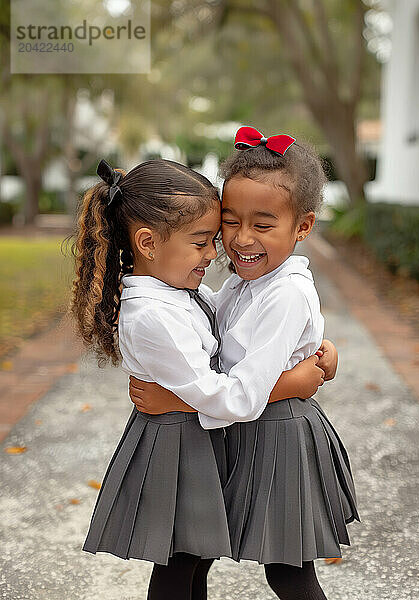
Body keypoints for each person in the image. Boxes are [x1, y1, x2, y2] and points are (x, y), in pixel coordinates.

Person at [70, 157, 333, 600]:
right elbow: (226, 387)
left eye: (212, 239)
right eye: (204, 239)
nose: (216, 252)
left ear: (302, 227)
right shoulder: (158, 310)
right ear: (148, 243)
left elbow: (244, 333)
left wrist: (315, 346)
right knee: (184, 560)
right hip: (180, 441)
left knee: (205, 560)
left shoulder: (184, 292)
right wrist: (295, 378)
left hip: (209, 431)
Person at [129, 127, 360, 600]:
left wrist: (174, 397)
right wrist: (319, 346)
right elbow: (214, 322)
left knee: (288, 570)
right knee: (195, 552)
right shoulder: (244, 282)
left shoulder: (285, 292)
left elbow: (247, 392)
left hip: (278, 432)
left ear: (303, 227)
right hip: (246, 428)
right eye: (230, 222)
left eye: (263, 224)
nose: (240, 239)